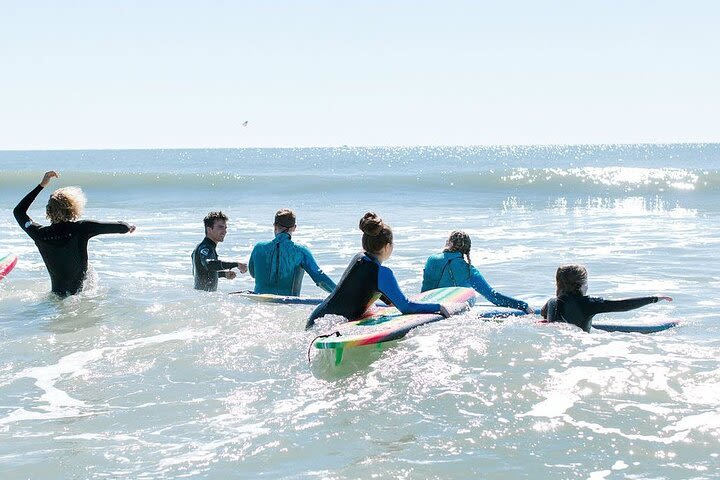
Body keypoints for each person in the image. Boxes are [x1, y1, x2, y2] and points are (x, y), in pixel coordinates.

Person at [307, 212, 467, 328]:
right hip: (328, 325)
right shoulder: (382, 273)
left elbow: (367, 289)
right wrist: (439, 307)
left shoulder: (359, 258)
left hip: (318, 318)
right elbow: (406, 308)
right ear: (387, 246)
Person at [13, 170, 136, 297]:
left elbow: (18, 211)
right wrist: (128, 227)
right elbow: (121, 227)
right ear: (73, 208)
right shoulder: (81, 228)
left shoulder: (39, 234)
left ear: (48, 210)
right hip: (79, 298)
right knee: (90, 273)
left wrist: (42, 185)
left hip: (56, 296)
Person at [421, 231, 533, 313]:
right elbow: (494, 297)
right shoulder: (469, 270)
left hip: (426, 307)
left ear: (450, 244)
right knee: (471, 296)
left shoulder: (432, 260)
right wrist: (523, 306)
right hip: (453, 310)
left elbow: (425, 291)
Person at [540, 263, 673, 332]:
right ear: (581, 285)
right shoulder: (588, 303)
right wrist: (655, 298)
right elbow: (623, 306)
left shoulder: (551, 302)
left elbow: (543, 314)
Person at [248, 209, 336, 296]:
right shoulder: (301, 251)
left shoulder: (258, 248)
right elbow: (319, 278)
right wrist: (340, 293)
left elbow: (253, 274)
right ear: (294, 228)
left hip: (259, 301)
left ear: (275, 226)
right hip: (288, 304)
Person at [192, 211, 248, 291]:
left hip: (203, 298)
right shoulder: (205, 248)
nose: (225, 231)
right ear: (209, 229)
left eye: (225, 228)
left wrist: (223, 274)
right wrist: (236, 264)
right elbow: (209, 264)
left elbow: (202, 273)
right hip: (204, 298)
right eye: (220, 227)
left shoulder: (202, 247)